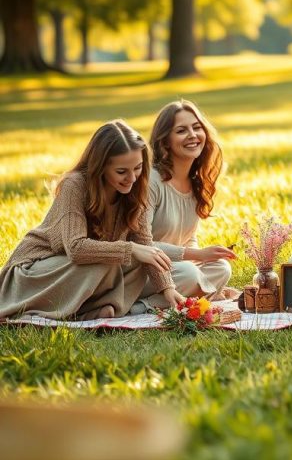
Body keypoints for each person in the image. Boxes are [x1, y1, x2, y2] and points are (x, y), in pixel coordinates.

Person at [0, 121, 182, 320]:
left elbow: (144, 243)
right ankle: (76, 310)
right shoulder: (75, 185)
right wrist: (131, 249)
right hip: (36, 271)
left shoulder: (137, 191)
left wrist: (167, 288)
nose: (132, 178)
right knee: (110, 259)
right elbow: (76, 249)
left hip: (83, 272)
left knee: (137, 260)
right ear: (100, 167)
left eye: (137, 168)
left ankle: (88, 311)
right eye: (121, 171)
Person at [140, 100, 237, 307]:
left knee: (221, 268)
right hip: (144, 270)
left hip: (175, 268)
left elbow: (188, 238)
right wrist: (197, 255)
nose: (192, 135)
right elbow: (142, 244)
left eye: (196, 127)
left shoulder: (195, 183)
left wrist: (201, 256)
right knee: (190, 273)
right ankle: (140, 306)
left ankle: (145, 306)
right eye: (182, 131)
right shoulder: (152, 182)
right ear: (165, 141)